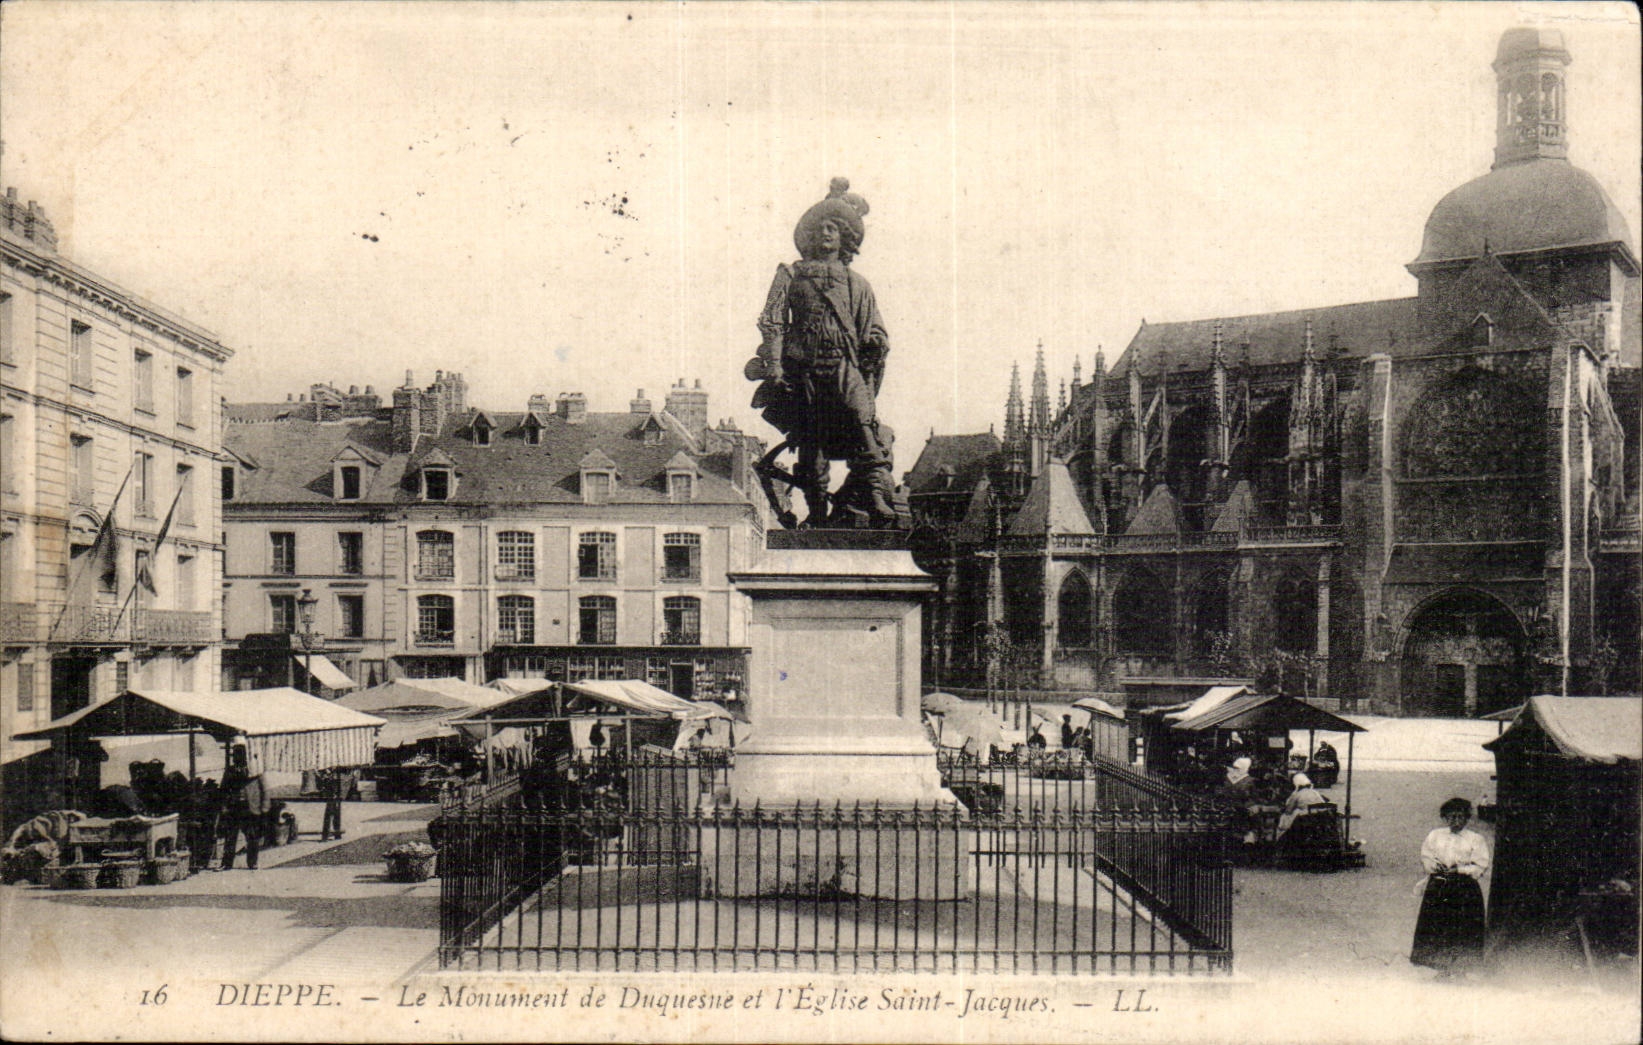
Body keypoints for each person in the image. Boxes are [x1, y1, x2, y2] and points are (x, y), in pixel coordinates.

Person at [748, 177, 896, 527]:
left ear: (846, 237)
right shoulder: (790, 274)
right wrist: (774, 365)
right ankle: (816, 514)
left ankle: (876, 496)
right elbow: (772, 320)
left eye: (833, 228)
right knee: (810, 444)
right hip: (804, 370)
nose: (826, 233)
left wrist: (876, 342)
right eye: (820, 228)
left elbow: (874, 326)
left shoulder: (857, 283)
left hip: (845, 367)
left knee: (864, 426)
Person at [1411, 797, 1491, 979]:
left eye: (1460, 817)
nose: (1456, 821)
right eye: (1451, 817)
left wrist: (1460, 869)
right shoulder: (1435, 836)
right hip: (1440, 886)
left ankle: (1461, 969)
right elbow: (1426, 855)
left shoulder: (1475, 839)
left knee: (1463, 928)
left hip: (1464, 889)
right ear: (1445, 818)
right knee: (1440, 927)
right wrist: (1433, 866)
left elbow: (1481, 865)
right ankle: (1443, 968)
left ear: (1466, 818)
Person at [217, 740, 269, 871]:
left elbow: (265, 790)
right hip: (234, 807)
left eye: (239, 755)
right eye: (234, 755)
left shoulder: (255, 771)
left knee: (252, 836)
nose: (236, 758)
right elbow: (223, 790)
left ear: (245, 756)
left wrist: (264, 808)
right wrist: (224, 806)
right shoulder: (230, 771)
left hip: (250, 808)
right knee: (230, 836)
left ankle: (252, 862)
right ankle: (226, 863)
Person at [318, 767, 345, 841]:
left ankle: (334, 834)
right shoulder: (328, 773)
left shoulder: (335, 773)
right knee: (330, 813)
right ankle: (328, 835)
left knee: (333, 813)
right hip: (331, 794)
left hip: (334, 793)